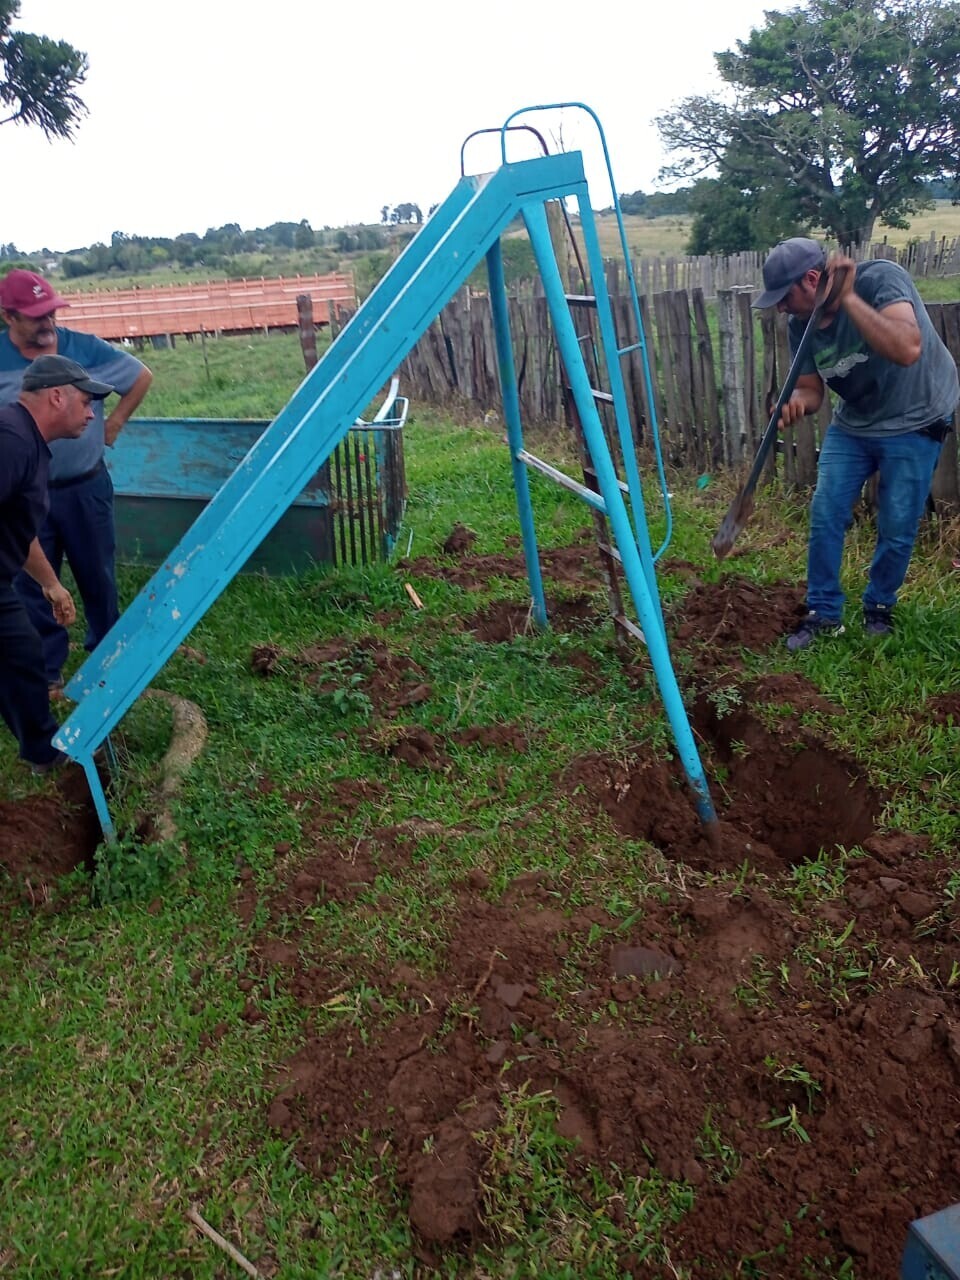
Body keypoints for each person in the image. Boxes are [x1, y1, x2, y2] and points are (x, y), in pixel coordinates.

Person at [754, 237, 958, 652]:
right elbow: (812, 391)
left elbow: (906, 348)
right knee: (826, 512)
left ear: (812, 279)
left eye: (784, 296)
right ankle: (824, 613)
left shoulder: (882, 280)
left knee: (897, 522)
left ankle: (879, 608)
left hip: (916, 416)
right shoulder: (801, 326)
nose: (780, 308)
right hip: (856, 424)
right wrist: (795, 403)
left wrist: (848, 301)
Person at [0, 269, 153, 693]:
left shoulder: (82, 349)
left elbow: (140, 376)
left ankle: (109, 657)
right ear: (8, 316)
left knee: (98, 574)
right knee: (32, 583)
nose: (47, 322)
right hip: (28, 493)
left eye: (50, 312)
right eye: (35, 316)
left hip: (85, 486)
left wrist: (116, 422)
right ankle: (49, 669)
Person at [0, 355, 114, 772]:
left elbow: (16, 523)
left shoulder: (28, 442)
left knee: (22, 654)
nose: (91, 413)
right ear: (55, 397)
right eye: (86, 402)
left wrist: (50, 583)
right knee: (20, 653)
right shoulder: (10, 439)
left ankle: (43, 752)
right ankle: (44, 752)